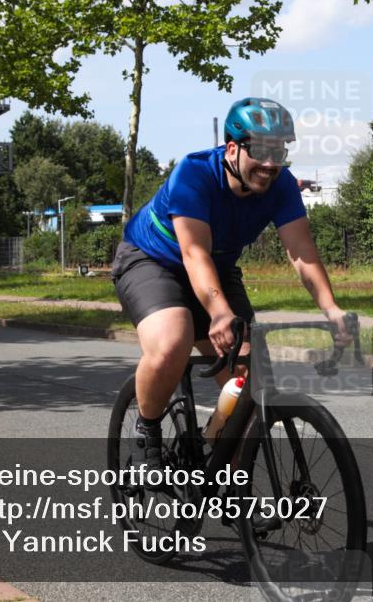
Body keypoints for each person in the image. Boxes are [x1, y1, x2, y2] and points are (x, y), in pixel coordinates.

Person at [111, 97, 351, 471]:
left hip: (217, 266)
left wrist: (331, 309)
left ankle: (224, 462)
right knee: (174, 340)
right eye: (261, 151)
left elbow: (302, 252)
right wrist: (219, 312)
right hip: (152, 260)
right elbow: (193, 254)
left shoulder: (281, 185)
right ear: (233, 148)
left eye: (279, 152)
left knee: (252, 382)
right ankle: (147, 428)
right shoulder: (193, 174)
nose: (270, 164)